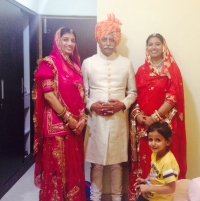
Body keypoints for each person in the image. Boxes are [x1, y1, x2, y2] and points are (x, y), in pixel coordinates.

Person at [82, 13, 137, 201]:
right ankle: (95, 198)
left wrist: (122, 104)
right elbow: (83, 93)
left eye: (111, 39)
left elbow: (133, 93)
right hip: (95, 122)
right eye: (104, 39)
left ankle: (116, 198)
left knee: (117, 164)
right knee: (96, 164)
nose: (107, 43)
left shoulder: (126, 63)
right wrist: (92, 105)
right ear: (98, 39)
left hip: (118, 121)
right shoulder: (88, 63)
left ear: (117, 41)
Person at [129, 33, 186, 200]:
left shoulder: (171, 70)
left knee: (162, 162)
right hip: (142, 126)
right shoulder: (141, 70)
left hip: (162, 126)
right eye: (150, 44)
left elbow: (173, 97)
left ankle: (159, 196)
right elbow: (135, 95)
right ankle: (142, 194)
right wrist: (138, 114)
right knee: (145, 162)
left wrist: (154, 117)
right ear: (146, 48)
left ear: (163, 47)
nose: (153, 47)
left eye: (157, 44)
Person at [32, 27, 87, 201]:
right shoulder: (49, 64)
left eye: (72, 40)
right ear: (57, 40)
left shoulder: (75, 66)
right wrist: (68, 118)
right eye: (65, 39)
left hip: (75, 126)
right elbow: (49, 95)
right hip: (57, 126)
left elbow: (81, 95)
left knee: (72, 168)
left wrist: (82, 117)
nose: (69, 43)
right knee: (58, 170)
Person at [134, 122, 179, 201]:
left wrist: (148, 188)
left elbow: (171, 188)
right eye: (150, 140)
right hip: (149, 196)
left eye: (158, 140)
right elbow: (155, 174)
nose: (153, 144)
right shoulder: (155, 154)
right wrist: (146, 181)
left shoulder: (167, 162)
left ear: (167, 142)